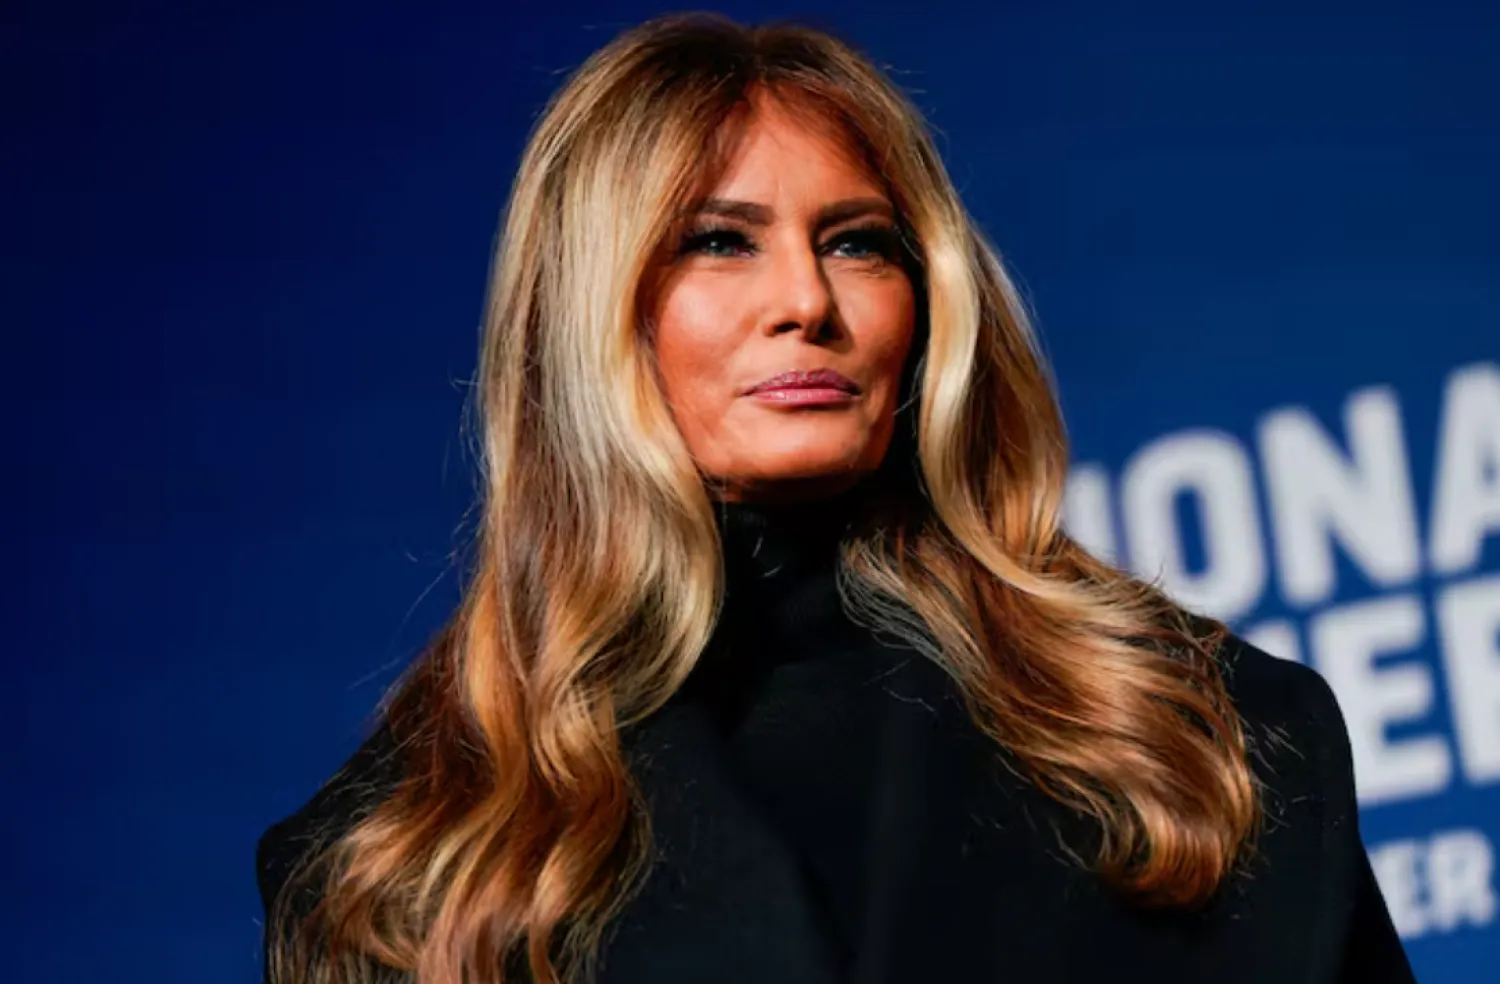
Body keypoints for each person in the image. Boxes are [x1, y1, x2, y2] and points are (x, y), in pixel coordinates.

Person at [256, 13, 1417, 984]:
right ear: (587, 310)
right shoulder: (405, 858)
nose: (807, 302)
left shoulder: (1204, 737)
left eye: (858, 243)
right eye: (720, 242)